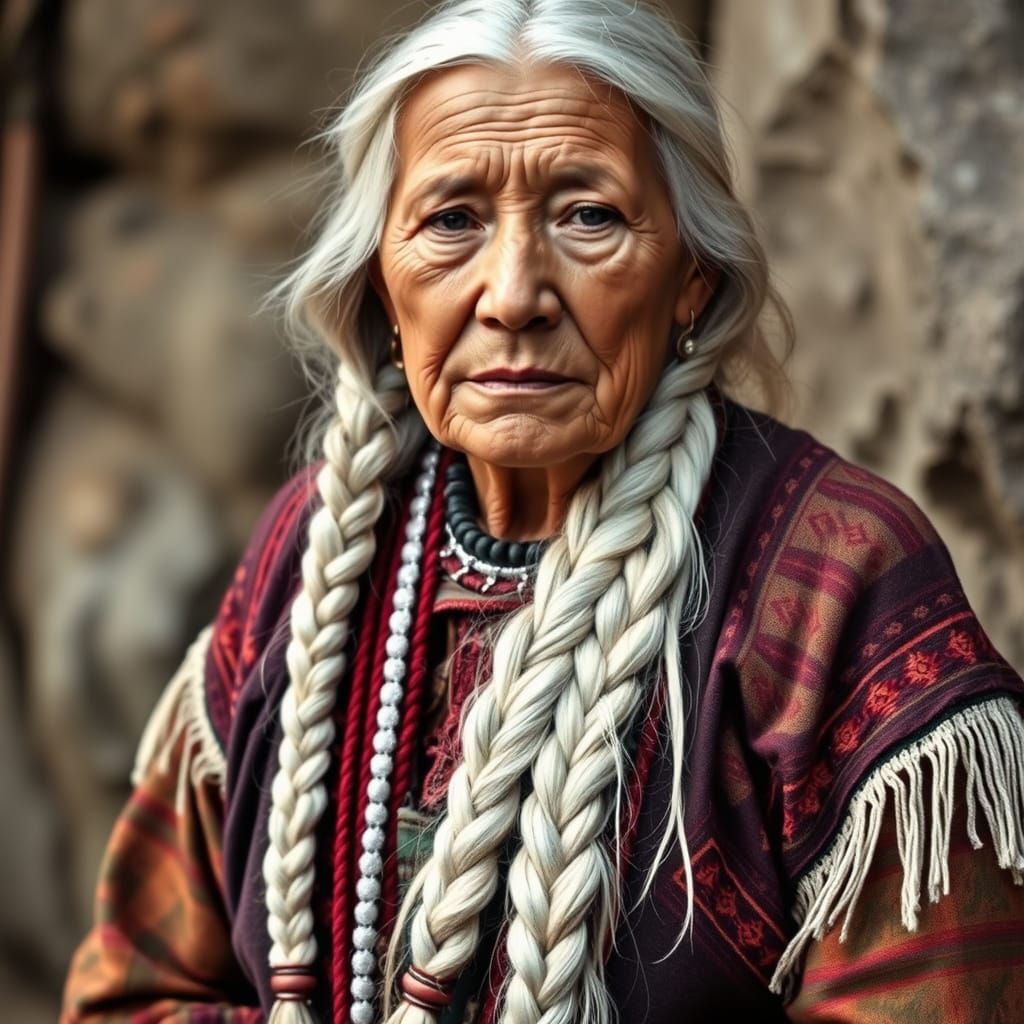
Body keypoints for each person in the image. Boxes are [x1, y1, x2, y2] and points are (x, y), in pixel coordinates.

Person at [62, 1, 1024, 1021]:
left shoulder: (831, 578)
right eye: (450, 221)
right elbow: (132, 990)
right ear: (382, 286)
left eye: (588, 216)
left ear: (691, 276)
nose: (513, 292)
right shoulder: (312, 556)